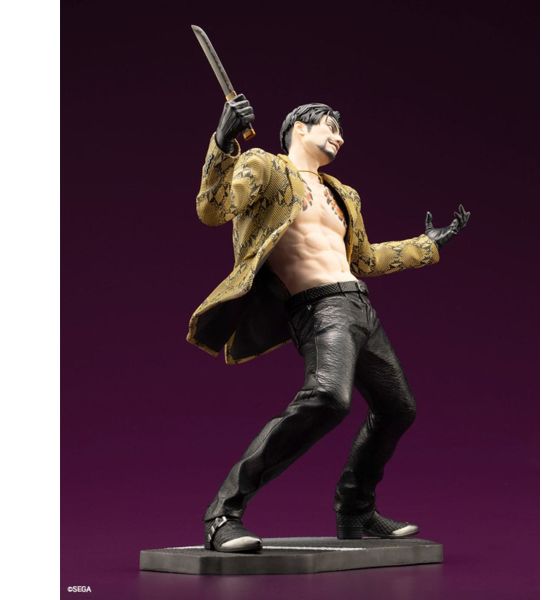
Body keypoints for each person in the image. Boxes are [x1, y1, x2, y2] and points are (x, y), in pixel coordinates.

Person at [188, 95, 470, 553]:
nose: (339, 137)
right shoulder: (265, 167)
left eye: (341, 131)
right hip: (317, 307)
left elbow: (364, 259)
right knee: (327, 398)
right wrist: (223, 140)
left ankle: (356, 507)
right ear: (299, 128)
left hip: (360, 306)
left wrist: (427, 244)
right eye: (330, 126)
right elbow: (213, 208)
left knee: (398, 408)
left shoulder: (343, 194)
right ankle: (223, 513)